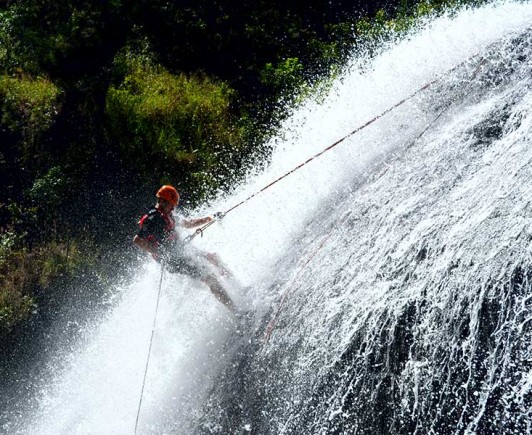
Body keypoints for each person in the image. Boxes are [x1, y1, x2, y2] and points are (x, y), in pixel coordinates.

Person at [133, 185, 236, 312]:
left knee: (213, 257)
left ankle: (239, 288)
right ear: (163, 202)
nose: (173, 208)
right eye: (172, 205)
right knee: (210, 278)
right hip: (172, 261)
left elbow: (188, 223)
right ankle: (238, 313)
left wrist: (211, 218)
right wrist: (161, 252)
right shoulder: (154, 218)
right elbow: (137, 240)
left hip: (179, 250)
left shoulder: (168, 214)